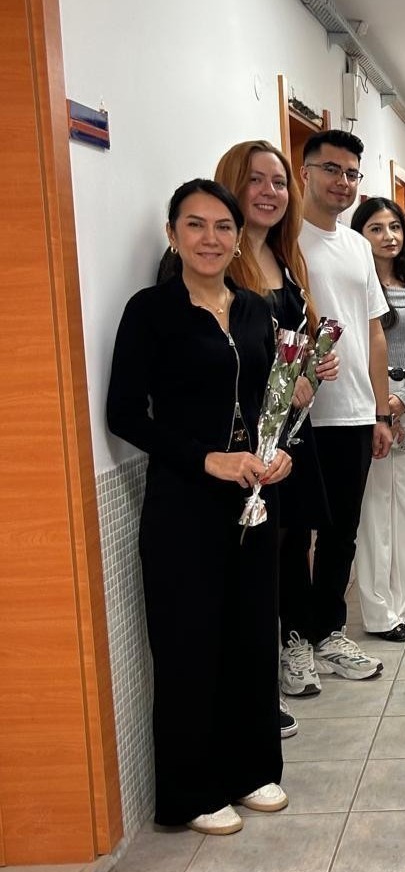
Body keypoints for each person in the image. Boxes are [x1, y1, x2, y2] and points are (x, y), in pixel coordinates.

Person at [107, 180, 290, 834]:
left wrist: (279, 452)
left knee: (251, 635)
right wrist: (204, 459)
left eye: (222, 227)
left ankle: (251, 770)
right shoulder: (150, 312)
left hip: (254, 499)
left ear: (238, 239)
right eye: (195, 225)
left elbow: (269, 400)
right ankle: (193, 791)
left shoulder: (253, 311)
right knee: (190, 643)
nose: (210, 239)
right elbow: (125, 414)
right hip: (184, 503)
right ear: (172, 234)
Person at [213, 139, 339, 735]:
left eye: (279, 182)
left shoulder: (287, 259)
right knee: (253, 560)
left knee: (293, 543)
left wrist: (314, 368)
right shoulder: (217, 260)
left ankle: (291, 650)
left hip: (290, 433)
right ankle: (253, 688)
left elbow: (295, 341)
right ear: (232, 184)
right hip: (241, 441)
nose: (270, 192)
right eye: (256, 180)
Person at [280, 129, 393, 693]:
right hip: (300, 417)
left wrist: (380, 411)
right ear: (304, 172)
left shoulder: (356, 246)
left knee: (342, 533)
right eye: (332, 169)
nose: (342, 182)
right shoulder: (284, 241)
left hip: (352, 412)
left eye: (351, 173)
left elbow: (374, 332)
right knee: (295, 535)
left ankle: (328, 631)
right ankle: (294, 640)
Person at [351, 198, 405, 639]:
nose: (389, 236)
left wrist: (402, 399)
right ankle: (379, 612)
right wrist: (381, 405)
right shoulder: (355, 287)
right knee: (375, 508)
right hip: (368, 405)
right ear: (358, 236)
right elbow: (354, 348)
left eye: (394, 228)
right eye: (376, 228)